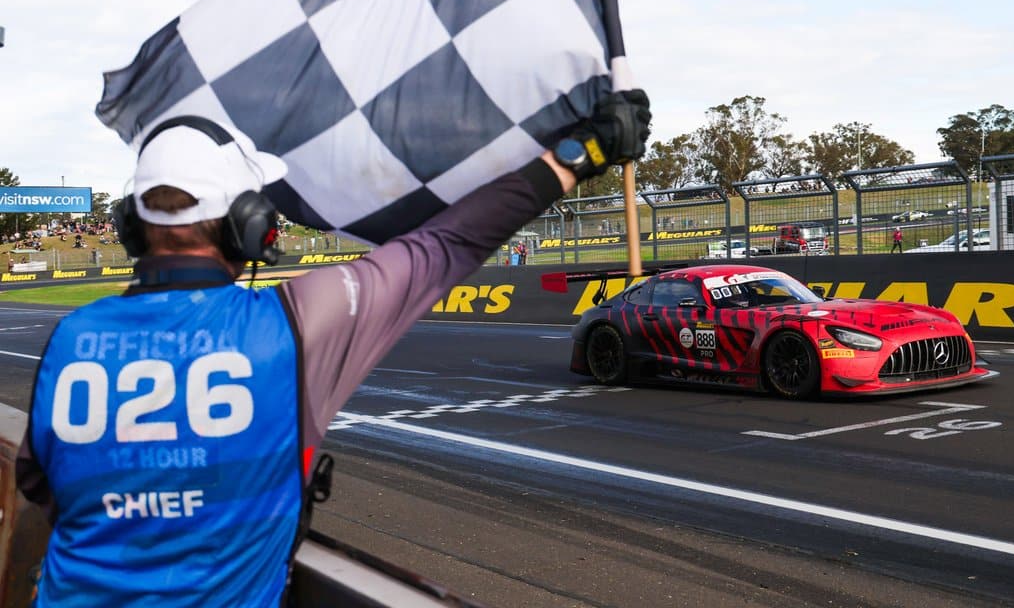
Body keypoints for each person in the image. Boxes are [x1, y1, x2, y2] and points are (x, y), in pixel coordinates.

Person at [16, 90, 651, 606]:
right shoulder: (295, 324)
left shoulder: (73, 338)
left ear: (131, 226)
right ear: (251, 225)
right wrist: (576, 153)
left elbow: (39, 483)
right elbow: (446, 245)